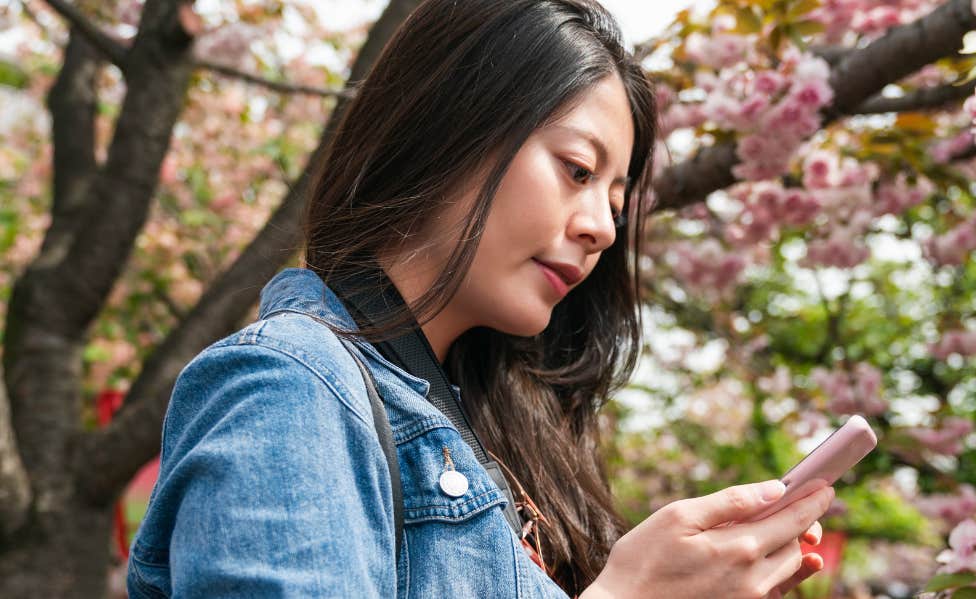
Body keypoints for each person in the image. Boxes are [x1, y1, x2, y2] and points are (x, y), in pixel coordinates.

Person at [126, 0, 835, 597]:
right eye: (577, 169)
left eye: (617, 203)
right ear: (452, 126)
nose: (600, 228)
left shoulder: (497, 432)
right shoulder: (289, 385)